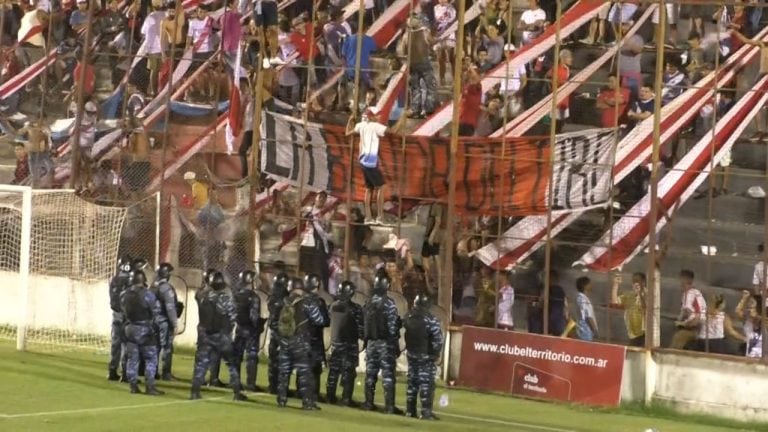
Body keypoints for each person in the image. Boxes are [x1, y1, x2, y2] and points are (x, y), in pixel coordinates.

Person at [190, 271, 248, 401]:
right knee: (231, 363)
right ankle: (237, 392)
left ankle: (195, 391)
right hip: (222, 335)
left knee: (201, 364)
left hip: (204, 334)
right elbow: (233, 315)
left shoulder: (201, 295)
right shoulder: (225, 298)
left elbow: (200, 292)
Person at [345, 107, 406, 224]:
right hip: (370, 161)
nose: (379, 118)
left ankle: (368, 217)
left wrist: (350, 120)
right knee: (381, 187)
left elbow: (347, 133)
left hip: (362, 161)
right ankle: (379, 217)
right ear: (372, 116)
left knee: (369, 188)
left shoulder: (360, 125)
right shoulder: (375, 126)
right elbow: (393, 131)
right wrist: (403, 118)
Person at [275, 274, 326, 410]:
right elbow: (319, 320)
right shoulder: (307, 302)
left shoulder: (284, 301)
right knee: (304, 373)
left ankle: (281, 399)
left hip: (285, 341)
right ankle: (307, 402)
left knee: (284, 372)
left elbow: (275, 321)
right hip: (300, 341)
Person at [362, 273, 403, 414]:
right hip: (385, 344)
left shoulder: (368, 302)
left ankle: (368, 403)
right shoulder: (388, 303)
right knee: (388, 375)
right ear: (387, 285)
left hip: (371, 343)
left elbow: (363, 324)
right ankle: (389, 406)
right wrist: (395, 344)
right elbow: (392, 327)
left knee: (370, 374)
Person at [120, 270, 164, 395]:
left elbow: (122, 309)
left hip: (130, 329)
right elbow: (156, 311)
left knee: (132, 359)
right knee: (151, 358)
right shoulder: (148, 295)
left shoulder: (124, 294)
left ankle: (133, 386)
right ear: (143, 280)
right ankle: (150, 386)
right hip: (144, 330)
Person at [404, 294, 443, 420]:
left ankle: (410, 410)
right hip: (426, 356)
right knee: (426, 384)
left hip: (411, 354)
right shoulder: (431, 319)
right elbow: (437, 340)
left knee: (412, 383)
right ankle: (425, 413)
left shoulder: (408, 317)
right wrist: (435, 354)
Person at [326, 280, 364, 406]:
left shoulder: (333, 306)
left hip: (335, 344)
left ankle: (330, 396)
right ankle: (346, 399)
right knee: (348, 372)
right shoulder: (355, 309)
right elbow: (361, 328)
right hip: (349, 345)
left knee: (333, 371)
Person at [232, 270, 266, 392]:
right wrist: (259, 325)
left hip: (239, 329)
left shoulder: (236, 295)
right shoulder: (254, 297)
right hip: (251, 331)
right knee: (251, 357)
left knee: (237, 356)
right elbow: (254, 317)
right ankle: (250, 383)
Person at [303, 273, 330, 401]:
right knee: (315, 368)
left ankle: (301, 391)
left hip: (301, 338)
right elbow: (324, 321)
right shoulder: (318, 302)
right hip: (314, 339)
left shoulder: (300, 300)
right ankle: (313, 394)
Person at [151, 262, 179, 380]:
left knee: (155, 346)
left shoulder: (152, 286)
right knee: (167, 347)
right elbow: (170, 307)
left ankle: (153, 371)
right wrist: (175, 323)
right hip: (163, 321)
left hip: (153, 320)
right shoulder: (166, 288)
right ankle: (166, 373)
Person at [107, 256, 133, 381]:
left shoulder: (114, 280)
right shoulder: (131, 281)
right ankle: (125, 374)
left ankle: (112, 370)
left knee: (115, 344)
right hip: (127, 316)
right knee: (126, 345)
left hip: (116, 315)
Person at [670, 269, 707, 350]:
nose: (680, 283)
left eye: (683, 281)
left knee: (678, 337)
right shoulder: (685, 295)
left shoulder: (695, 294)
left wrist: (685, 324)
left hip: (697, 329)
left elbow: (698, 318)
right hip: (688, 326)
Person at [267, 272, 291, 393]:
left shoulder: (272, 296)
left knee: (273, 360)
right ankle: (282, 388)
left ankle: (272, 386)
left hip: (274, 331)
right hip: (283, 332)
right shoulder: (286, 298)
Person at [610, 272, 646, 347]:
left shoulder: (648, 294)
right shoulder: (629, 295)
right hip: (633, 334)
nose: (636, 284)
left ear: (643, 282)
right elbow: (615, 301)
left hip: (645, 334)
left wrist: (640, 295)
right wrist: (616, 284)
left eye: (638, 281)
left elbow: (645, 308)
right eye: (634, 281)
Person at [575, 277, 598, 341]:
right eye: (589, 284)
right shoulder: (583, 299)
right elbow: (588, 316)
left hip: (583, 330)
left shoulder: (581, 298)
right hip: (585, 330)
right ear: (585, 286)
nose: (591, 285)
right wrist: (594, 329)